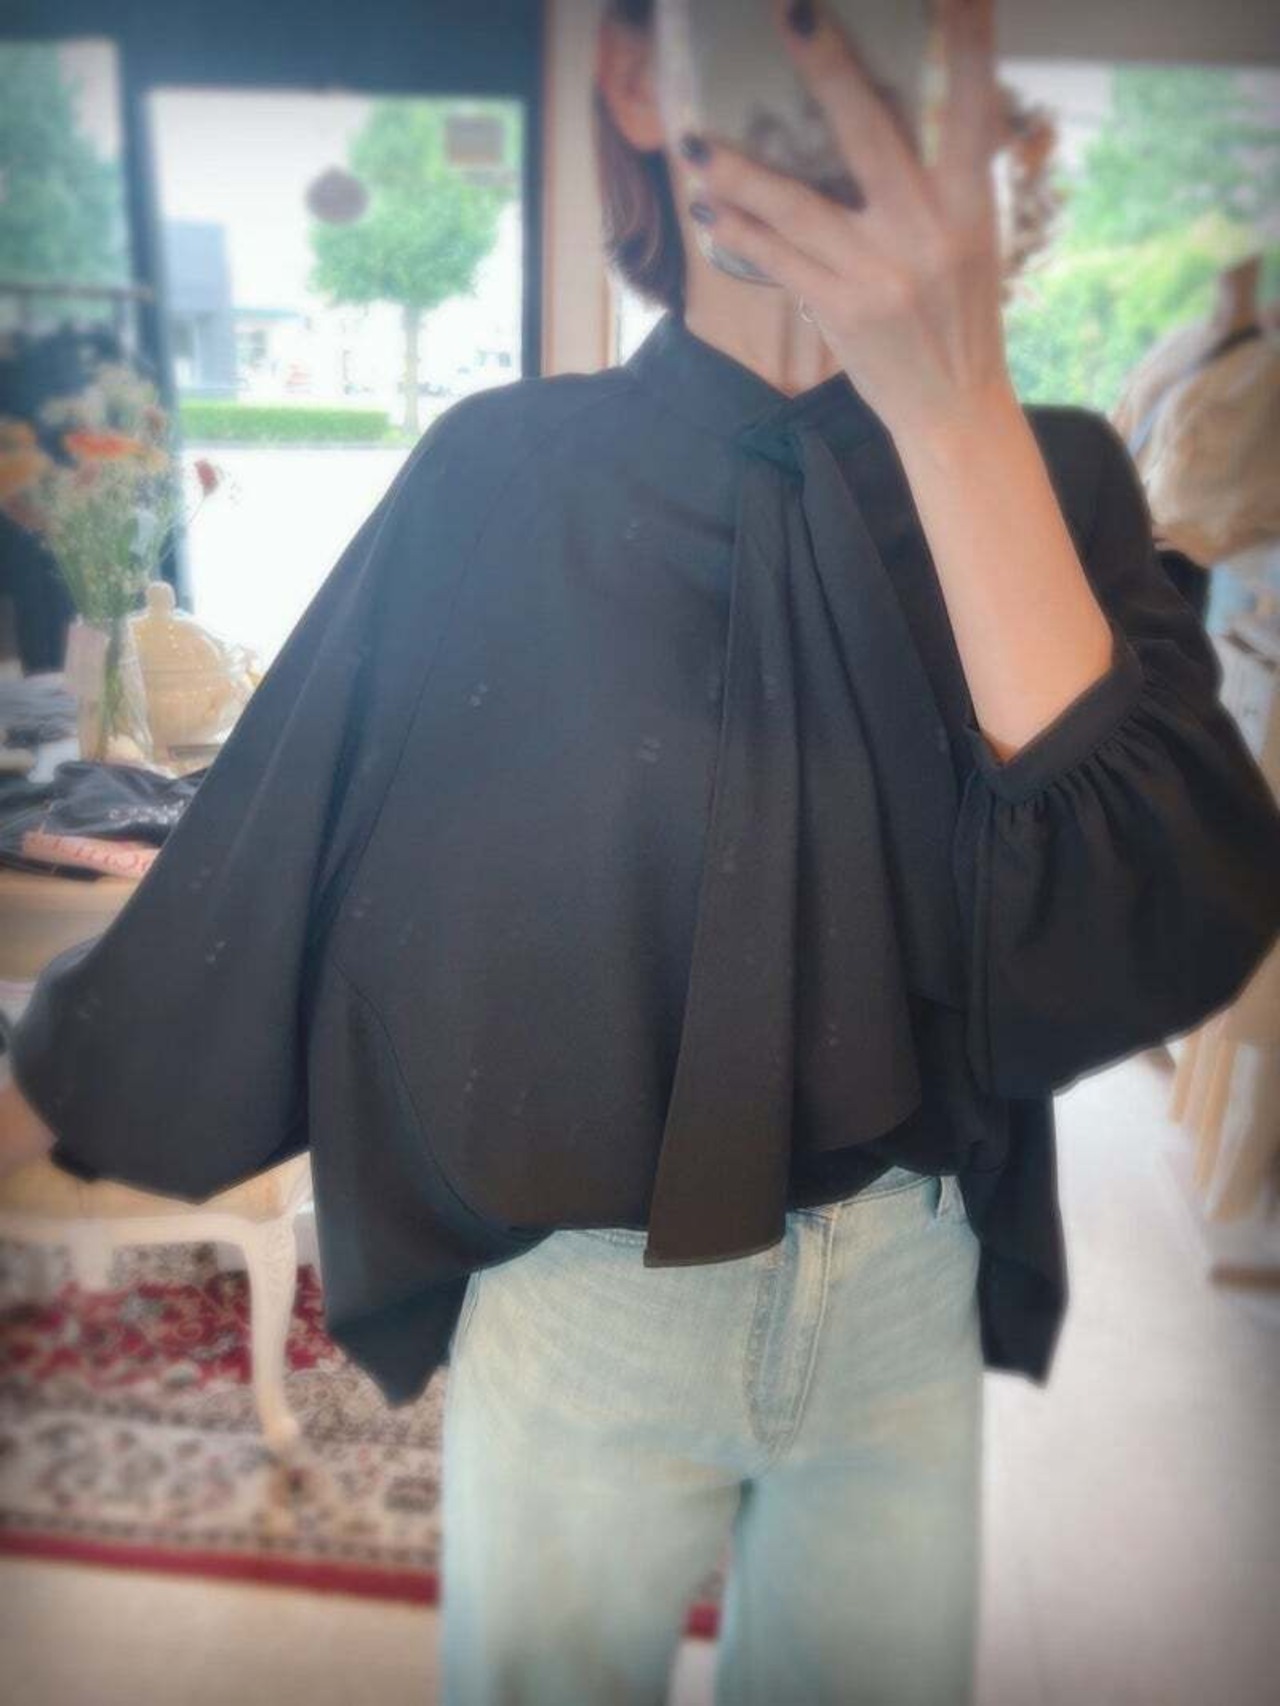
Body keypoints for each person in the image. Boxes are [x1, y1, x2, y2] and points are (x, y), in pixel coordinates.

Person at [3, 3, 1280, 1702]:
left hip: (911, 1287)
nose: (823, 63)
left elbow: (1155, 923)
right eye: (769, 24)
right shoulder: (499, 481)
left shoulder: (1054, 481)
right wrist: (45, 1082)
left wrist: (955, 405)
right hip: (584, 1307)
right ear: (632, 68)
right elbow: (264, 855)